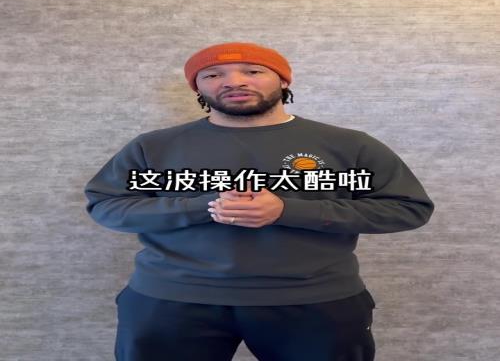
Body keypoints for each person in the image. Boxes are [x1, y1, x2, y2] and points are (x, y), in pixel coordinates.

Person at [84, 41, 435, 361]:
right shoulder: (154, 146)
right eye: (213, 75)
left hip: (314, 299)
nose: (233, 82)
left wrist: (287, 210)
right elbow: (107, 205)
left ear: (283, 80)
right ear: (198, 88)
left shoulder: (348, 145)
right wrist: (205, 205)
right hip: (171, 298)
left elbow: (407, 207)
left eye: (253, 71)